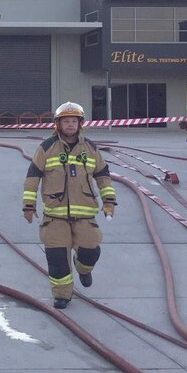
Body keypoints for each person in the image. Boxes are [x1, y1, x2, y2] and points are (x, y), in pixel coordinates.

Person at [22, 101, 117, 309]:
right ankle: (62, 295)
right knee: (57, 259)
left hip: (85, 215)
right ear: (58, 124)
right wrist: (29, 205)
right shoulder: (46, 148)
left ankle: (83, 269)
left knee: (90, 251)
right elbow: (32, 177)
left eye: (74, 121)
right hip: (54, 216)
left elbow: (103, 175)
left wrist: (109, 200)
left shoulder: (90, 148)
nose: (71, 125)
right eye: (66, 121)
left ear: (80, 123)